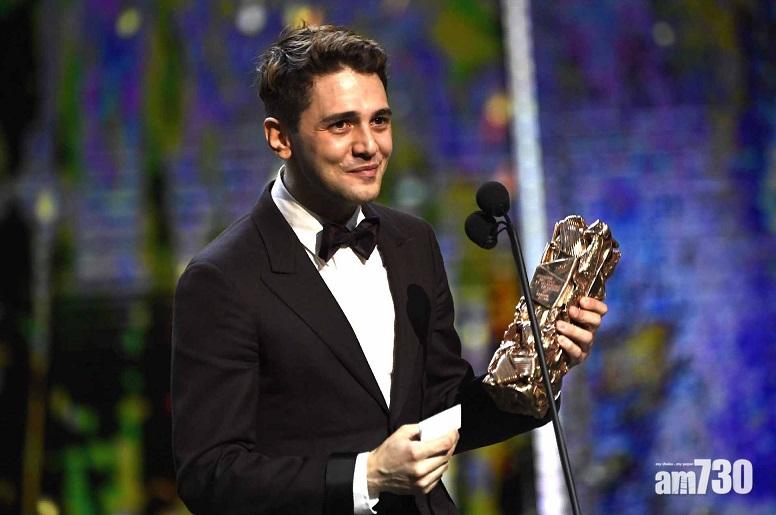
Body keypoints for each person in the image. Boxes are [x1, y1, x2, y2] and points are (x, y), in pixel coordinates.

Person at [171, 24, 608, 515]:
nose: (369, 145)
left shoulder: (412, 243)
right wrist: (367, 476)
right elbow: (210, 475)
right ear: (280, 137)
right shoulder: (223, 280)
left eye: (379, 121)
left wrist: (540, 369)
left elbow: (446, 412)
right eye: (341, 125)